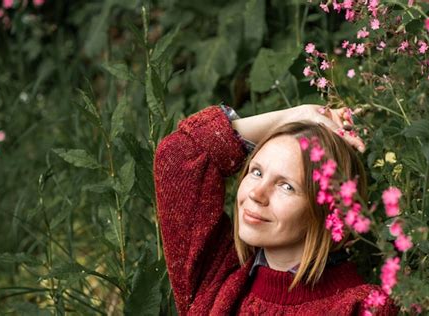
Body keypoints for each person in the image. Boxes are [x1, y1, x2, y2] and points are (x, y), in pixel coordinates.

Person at [154, 104, 397, 315]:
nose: (256, 194)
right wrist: (291, 117)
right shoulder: (219, 279)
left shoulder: (361, 307)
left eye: (286, 186)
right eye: (257, 172)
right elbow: (177, 154)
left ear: (328, 210)